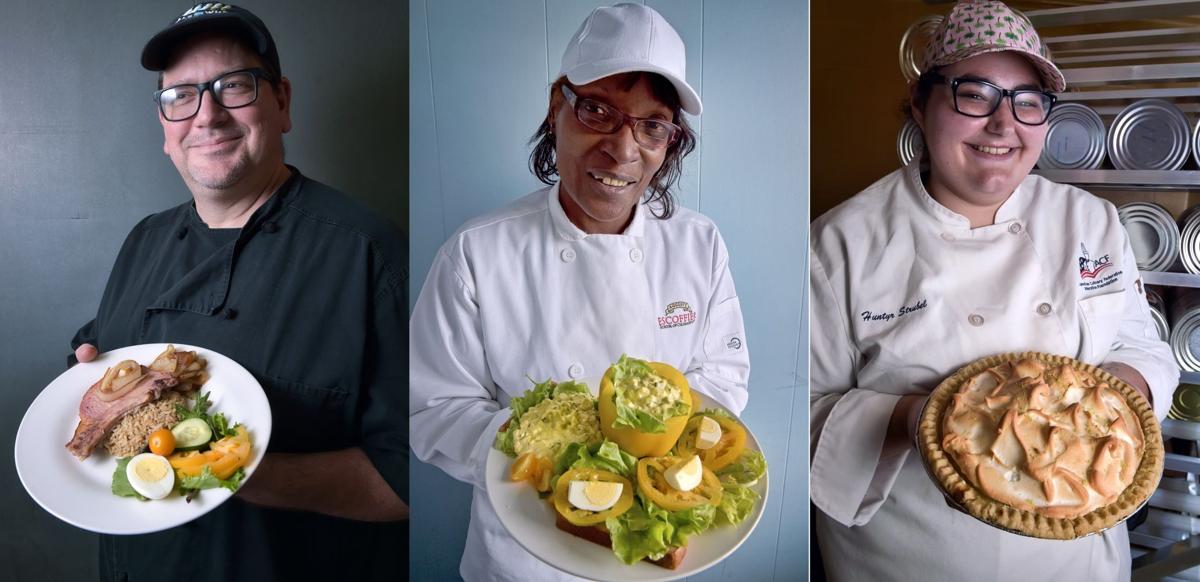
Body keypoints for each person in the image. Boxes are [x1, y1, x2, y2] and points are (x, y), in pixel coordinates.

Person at [810, 1, 1179, 580]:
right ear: (920, 103)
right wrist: (920, 421)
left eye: (1027, 101)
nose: (1004, 125)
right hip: (910, 558)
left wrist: (1100, 402)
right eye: (975, 94)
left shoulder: (1090, 222)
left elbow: (1142, 348)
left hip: (1073, 560)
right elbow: (798, 416)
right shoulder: (838, 244)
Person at [409, 3, 750, 580]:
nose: (622, 150)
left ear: (670, 140)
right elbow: (433, 409)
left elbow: (724, 376)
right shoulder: (477, 252)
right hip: (519, 558)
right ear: (556, 107)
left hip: (653, 542)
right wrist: (555, 444)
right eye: (598, 110)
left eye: (652, 125)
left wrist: (649, 457)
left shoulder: (700, 244)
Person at [69, 4, 408, 581]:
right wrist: (88, 380)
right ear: (165, 128)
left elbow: (410, 478)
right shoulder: (143, 239)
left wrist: (225, 470)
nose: (207, 115)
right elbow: (100, 354)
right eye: (180, 95)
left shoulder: (368, 253)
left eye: (234, 85)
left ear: (282, 103)